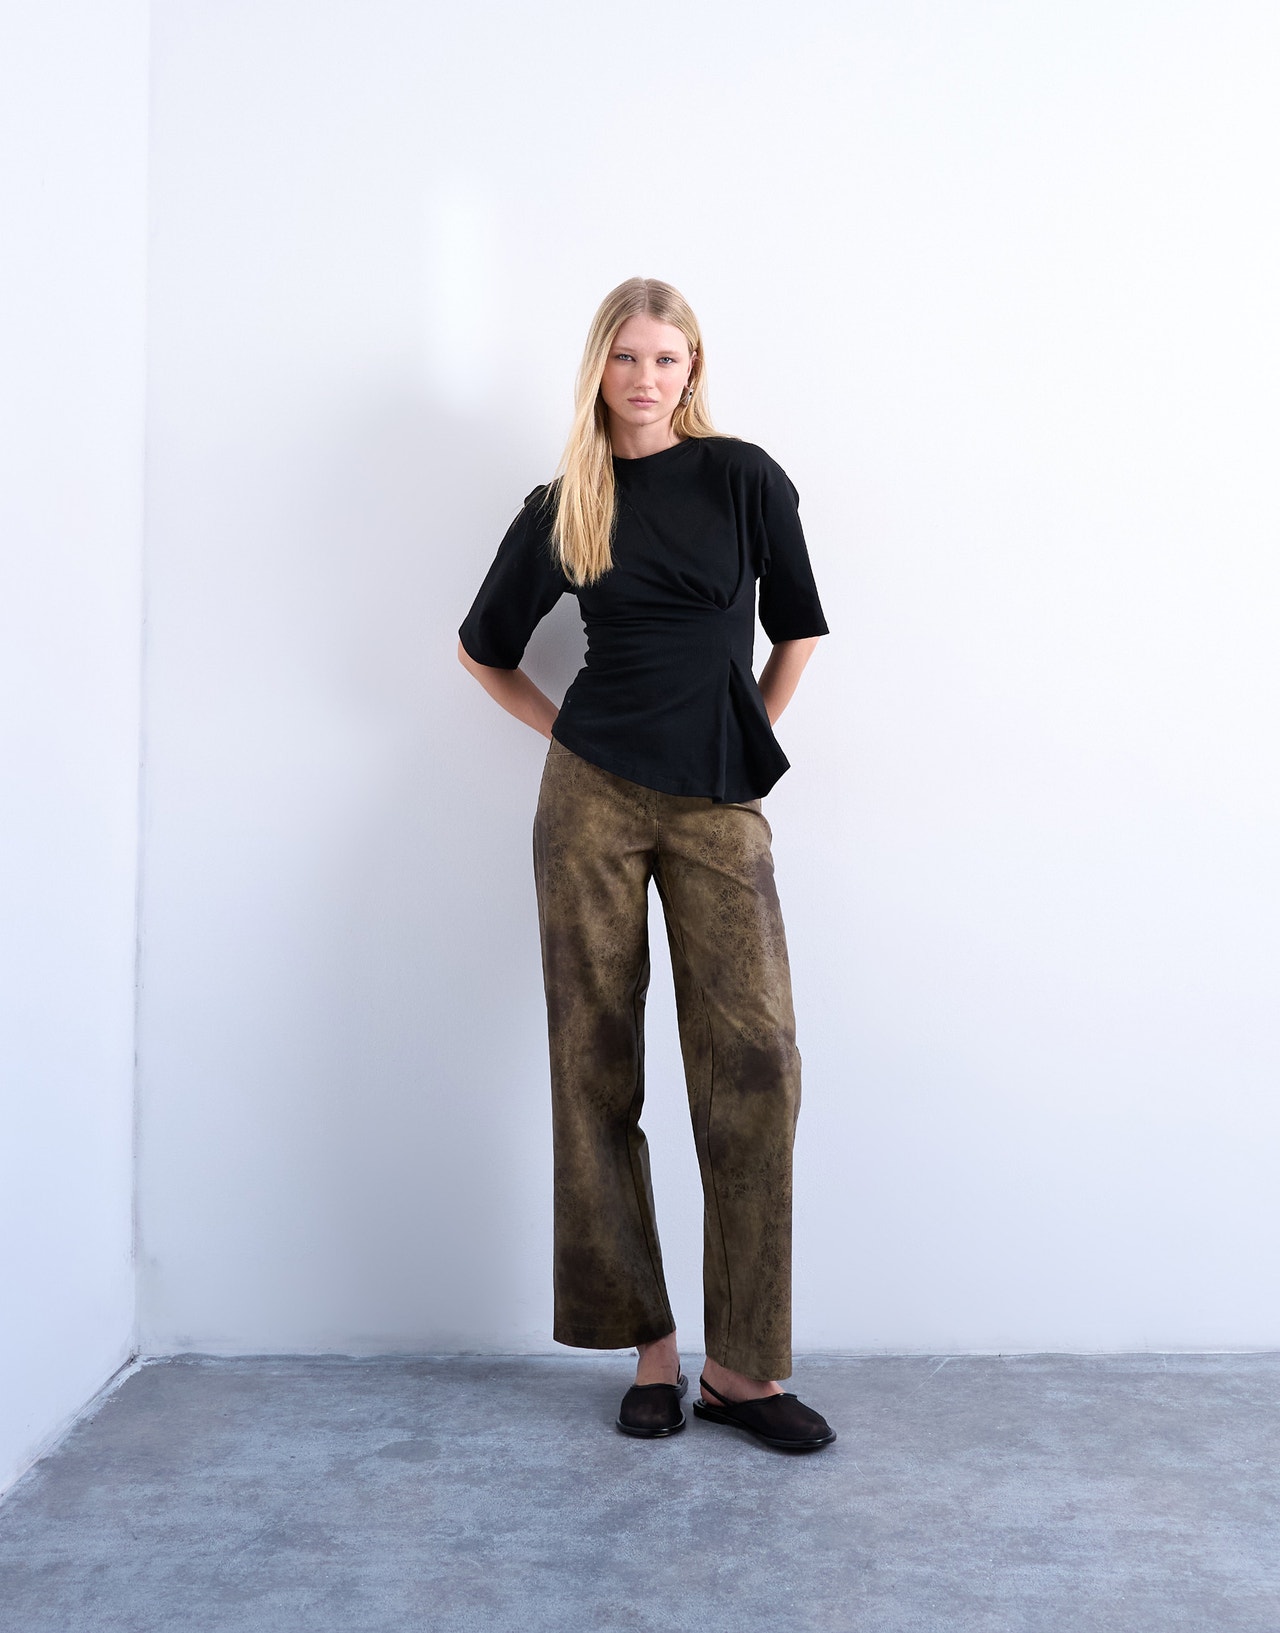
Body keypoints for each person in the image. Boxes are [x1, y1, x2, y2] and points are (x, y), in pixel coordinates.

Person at [457, 277, 835, 1452]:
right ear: (599, 368)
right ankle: (652, 1351)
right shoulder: (566, 500)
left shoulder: (743, 479)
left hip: (718, 799)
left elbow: (797, 629)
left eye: (665, 358)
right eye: (626, 357)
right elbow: (483, 649)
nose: (645, 377)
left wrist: (743, 736)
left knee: (756, 1061)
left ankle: (742, 1369)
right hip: (591, 803)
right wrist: (566, 736)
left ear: (691, 370)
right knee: (593, 1061)